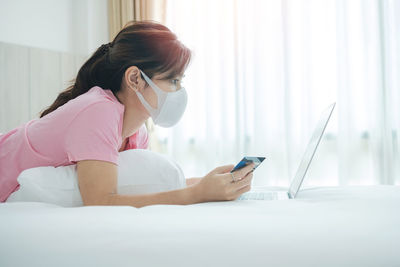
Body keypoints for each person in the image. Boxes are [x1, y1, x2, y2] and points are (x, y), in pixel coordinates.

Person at [0, 20, 254, 207]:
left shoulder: (136, 130)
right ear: (135, 78)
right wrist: (196, 195)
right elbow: (99, 201)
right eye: (173, 81)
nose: (179, 91)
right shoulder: (98, 111)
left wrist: (209, 183)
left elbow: (141, 185)